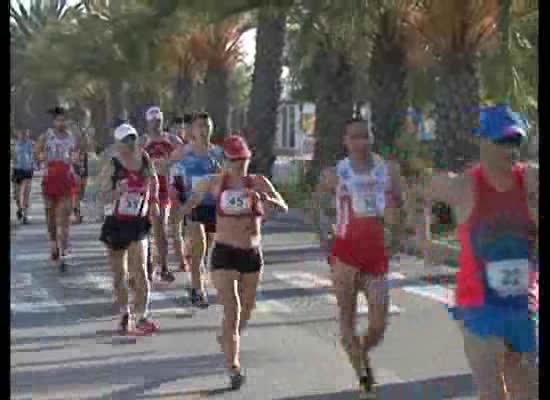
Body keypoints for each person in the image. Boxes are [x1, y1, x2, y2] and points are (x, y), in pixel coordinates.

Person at [422, 105, 538, 400]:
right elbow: (419, 190)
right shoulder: (462, 186)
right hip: (479, 307)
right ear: (483, 142)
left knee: (527, 392)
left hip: (522, 304)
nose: (510, 149)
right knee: (493, 394)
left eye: (515, 141)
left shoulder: (531, 180)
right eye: (502, 141)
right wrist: (425, 240)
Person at [178, 134, 288, 389]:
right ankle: (234, 367)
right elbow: (189, 205)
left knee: (246, 311)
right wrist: (177, 220)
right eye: (234, 160)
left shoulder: (258, 182)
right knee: (233, 309)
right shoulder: (215, 183)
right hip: (224, 253)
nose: (239, 165)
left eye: (243, 159)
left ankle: (228, 339)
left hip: (251, 253)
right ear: (224, 161)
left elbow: (282, 205)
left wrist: (267, 201)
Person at [314, 117, 403, 399]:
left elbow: (401, 203)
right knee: (347, 318)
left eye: (365, 136)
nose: (360, 142)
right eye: (354, 137)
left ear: (372, 138)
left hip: (376, 252)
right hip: (345, 252)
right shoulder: (335, 173)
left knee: (379, 322)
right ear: (345, 141)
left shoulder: (387, 170)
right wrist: (323, 237)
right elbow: (316, 204)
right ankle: (364, 378)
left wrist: (397, 236)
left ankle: (360, 352)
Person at [98, 123, 160, 335]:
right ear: (118, 143)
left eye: (132, 138)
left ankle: (142, 316)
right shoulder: (113, 165)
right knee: (119, 274)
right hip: (116, 222)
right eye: (125, 139)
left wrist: (154, 203)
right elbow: (103, 196)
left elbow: (154, 181)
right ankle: (125, 313)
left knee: (141, 271)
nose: (130, 142)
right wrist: (117, 191)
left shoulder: (144, 159)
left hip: (138, 222)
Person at [170, 112, 223, 307]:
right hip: (191, 203)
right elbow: (172, 175)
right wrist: (175, 196)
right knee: (199, 242)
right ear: (192, 130)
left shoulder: (218, 153)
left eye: (207, 126)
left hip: (213, 205)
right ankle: (197, 289)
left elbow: (227, 176)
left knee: (206, 248)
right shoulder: (183, 153)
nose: (204, 130)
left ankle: (196, 277)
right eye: (200, 126)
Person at [35, 107, 84, 270]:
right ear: (54, 121)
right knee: (50, 217)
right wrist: (42, 159)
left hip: (66, 179)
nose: (61, 123)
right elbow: (37, 152)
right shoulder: (47, 136)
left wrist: (76, 162)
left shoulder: (72, 137)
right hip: (50, 179)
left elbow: (78, 155)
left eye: (63, 120)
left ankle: (63, 251)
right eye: (58, 120)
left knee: (64, 218)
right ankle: (53, 244)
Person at [143, 106, 184, 283]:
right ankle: (149, 263)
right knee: (150, 227)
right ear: (148, 122)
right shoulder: (143, 141)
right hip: (148, 188)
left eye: (158, 121)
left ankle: (164, 266)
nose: (156, 124)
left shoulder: (172, 140)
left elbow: (184, 154)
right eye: (153, 121)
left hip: (166, 188)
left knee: (162, 227)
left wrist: (170, 164)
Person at [168, 114, 193, 273]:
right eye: (176, 129)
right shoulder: (166, 147)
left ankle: (190, 254)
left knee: (191, 227)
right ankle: (182, 260)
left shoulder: (192, 147)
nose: (179, 132)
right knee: (175, 227)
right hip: (173, 187)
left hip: (191, 189)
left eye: (181, 129)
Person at [12, 129, 35, 224]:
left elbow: (33, 156)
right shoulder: (14, 145)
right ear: (18, 134)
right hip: (17, 171)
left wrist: (33, 165)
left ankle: (25, 215)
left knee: (26, 194)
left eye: (25, 134)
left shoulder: (30, 144)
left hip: (27, 171)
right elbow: (13, 157)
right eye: (21, 134)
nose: (23, 136)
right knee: (17, 195)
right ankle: (20, 209)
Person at [71, 129, 92, 224]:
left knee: (80, 196)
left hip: (84, 175)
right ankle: (77, 216)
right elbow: (71, 162)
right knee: (76, 196)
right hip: (75, 175)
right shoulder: (73, 149)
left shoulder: (86, 150)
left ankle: (78, 213)